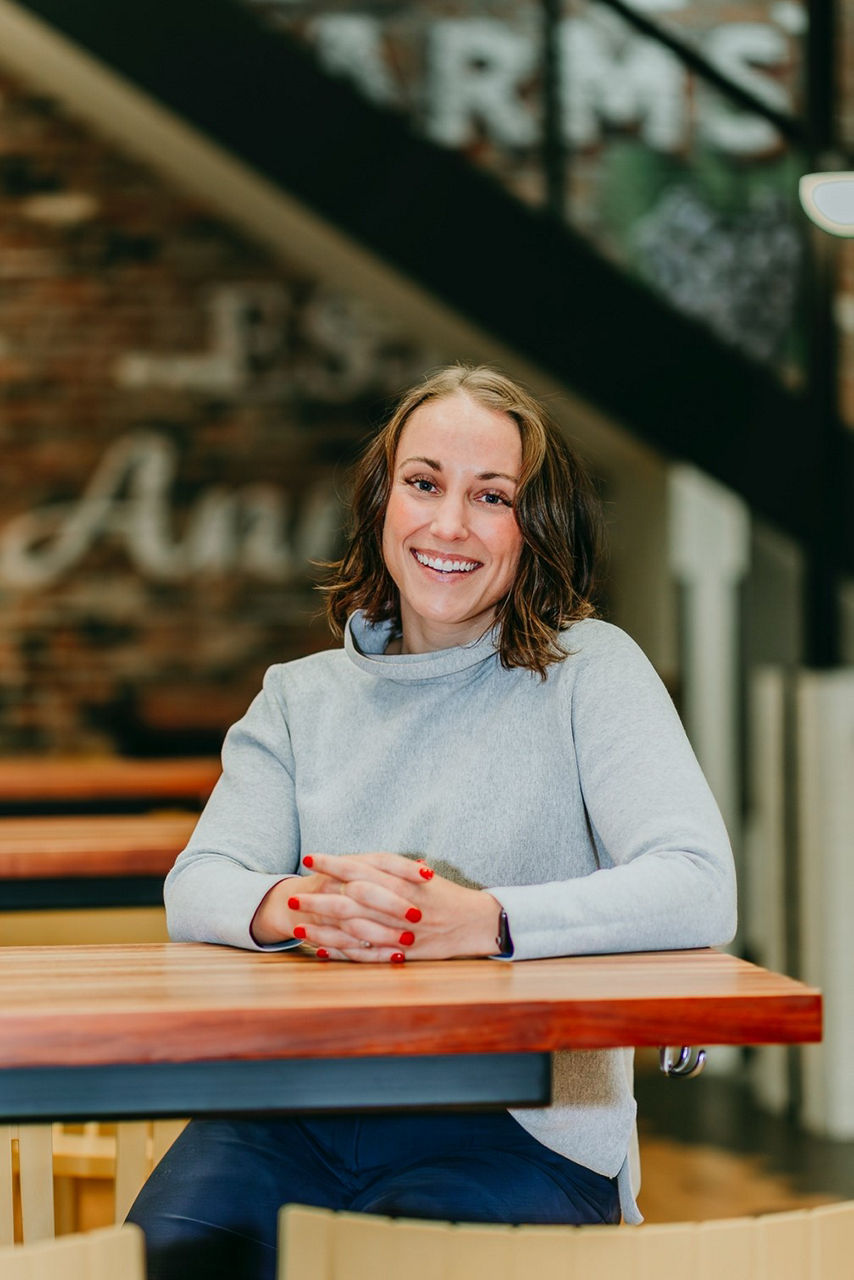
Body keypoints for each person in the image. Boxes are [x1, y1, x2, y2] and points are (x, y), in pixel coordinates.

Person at [128, 364, 737, 1280]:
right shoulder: (299, 697)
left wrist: (481, 923)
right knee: (162, 1256)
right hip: (293, 1110)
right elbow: (198, 883)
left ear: (535, 528)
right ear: (384, 504)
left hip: (524, 1129)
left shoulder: (591, 670)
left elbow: (699, 883)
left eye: (491, 497)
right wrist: (304, 908)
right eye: (423, 484)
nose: (449, 525)